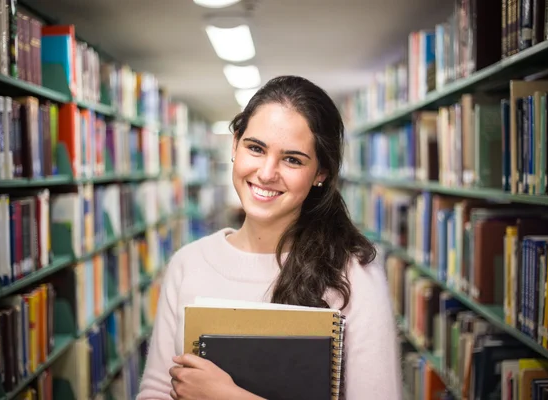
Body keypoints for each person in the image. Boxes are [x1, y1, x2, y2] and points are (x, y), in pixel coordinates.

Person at [136, 75, 402, 400]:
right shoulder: (186, 264)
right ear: (235, 144)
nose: (266, 172)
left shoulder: (355, 273)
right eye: (256, 148)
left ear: (321, 173)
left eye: (292, 159)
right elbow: (157, 391)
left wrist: (228, 396)